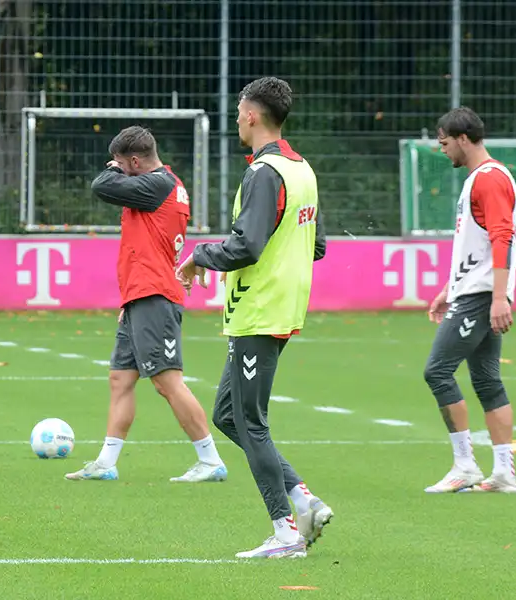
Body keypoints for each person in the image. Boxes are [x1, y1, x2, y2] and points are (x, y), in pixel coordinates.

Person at [177, 77, 331, 558]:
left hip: (260, 310)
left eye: (239, 110)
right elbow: (318, 245)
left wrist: (200, 254)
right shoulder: (301, 168)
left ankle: (286, 533)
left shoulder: (265, 173)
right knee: (228, 415)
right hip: (279, 307)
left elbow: (248, 245)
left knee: (251, 422)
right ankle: (304, 500)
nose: (237, 118)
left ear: (251, 114)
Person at [64, 126, 227, 484]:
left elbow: (101, 186)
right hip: (140, 294)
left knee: (167, 381)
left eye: (123, 163)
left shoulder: (158, 185)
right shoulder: (160, 185)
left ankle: (210, 459)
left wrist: (113, 170)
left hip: (155, 293)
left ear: (135, 161)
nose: (118, 169)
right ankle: (106, 462)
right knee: (120, 378)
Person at [423, 106, 516, 494]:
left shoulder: (489, 179)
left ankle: (465, 464)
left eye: (445, 142)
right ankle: (503, 473)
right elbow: (475, 244)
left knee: (438, 371)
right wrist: (450, 287)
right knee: (487, 380)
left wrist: (498, 298)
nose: (442, 149)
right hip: (473, 290)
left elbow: (501, 236)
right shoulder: (479, 179)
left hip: (482, 296)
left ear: (463, 139)